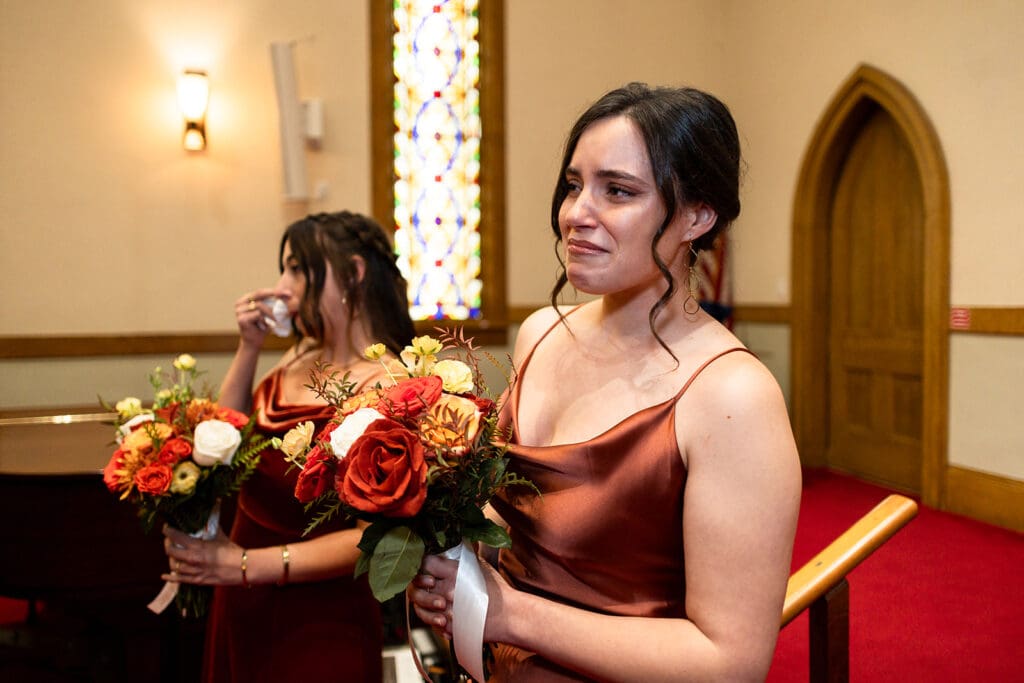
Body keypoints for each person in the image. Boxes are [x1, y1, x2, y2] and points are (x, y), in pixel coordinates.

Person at [410, 83, 802, 682]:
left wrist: (512, 615)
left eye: (617, 191)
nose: (576, 214)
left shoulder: (731, 396)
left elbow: (731, 664)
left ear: (697, 216)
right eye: (574, 184)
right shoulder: (540, 333)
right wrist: (450, 560)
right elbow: (511, 518)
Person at [162, 210, 415, 682]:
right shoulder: (301, 354)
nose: (282, 285)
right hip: (241, 595)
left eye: (298, 268)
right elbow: (223, 442)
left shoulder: (389, 385)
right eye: (285, 268)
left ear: (354, 273)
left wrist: (244, 565)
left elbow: (373, 539)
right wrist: (249, 346)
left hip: (319, 616)